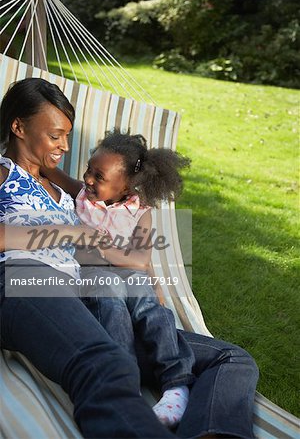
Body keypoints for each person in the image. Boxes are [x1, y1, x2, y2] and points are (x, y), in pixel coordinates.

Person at [0, 77, 259, 439]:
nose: (64, 146)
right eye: (56, 135)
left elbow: (130, 220)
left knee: (232, 359)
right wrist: (71, 233)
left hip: (92, 299)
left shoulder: (65, 188)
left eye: (68, 136)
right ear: (18, 126)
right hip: (27, 279)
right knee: (107, 364)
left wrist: (154, 291)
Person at [45, 130, 196, 427]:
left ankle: (176, 384)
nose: (88, 178)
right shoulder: (81, 194)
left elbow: (141, 259)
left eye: (99, 177)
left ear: (127, 186)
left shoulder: (141, 213)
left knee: (151, 308)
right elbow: (48, 168)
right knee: (110, 296)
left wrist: (154, 284)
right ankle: (126, 384)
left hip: (129, 270)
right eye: (89, 169)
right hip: (89, 273)